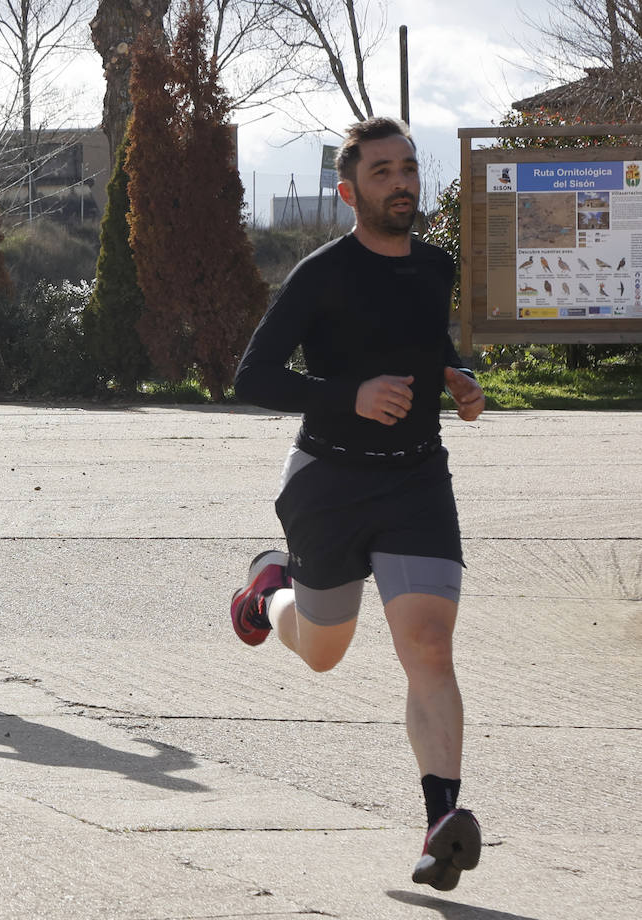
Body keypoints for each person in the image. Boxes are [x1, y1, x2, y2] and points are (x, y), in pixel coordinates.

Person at [231, 117, 486, 892]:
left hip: (415, 480)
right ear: (349, 191)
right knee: (321, 651)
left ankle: (442, 817)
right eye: (382, 172)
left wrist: (456, 375)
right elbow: (254, 377)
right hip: (330, 481)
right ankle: (270, 587)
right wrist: (350, 395)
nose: (402, 181)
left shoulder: (435, 266)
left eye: (408, 167)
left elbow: (423, 339)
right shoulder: (321, 273)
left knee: (429, 646)